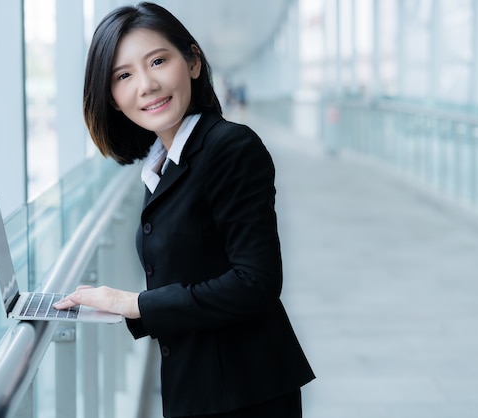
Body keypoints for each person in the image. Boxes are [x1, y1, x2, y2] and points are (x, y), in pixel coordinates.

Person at [54, 2, 315, 417]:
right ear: (113, 99)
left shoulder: (230, 147)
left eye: (158, 61)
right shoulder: (162, 162)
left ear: (192, 61)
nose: (146, 84)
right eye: (124, 76)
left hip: (246, 393)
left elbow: (256, 283)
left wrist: (134, 303)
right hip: (200, 387)